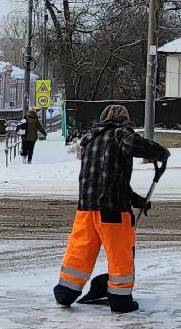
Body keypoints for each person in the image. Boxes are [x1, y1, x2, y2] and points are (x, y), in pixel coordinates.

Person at [54, 104, 168, 314]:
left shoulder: (91, 140)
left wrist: (136, 200)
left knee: (79, 252)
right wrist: (161, 152)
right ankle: (120, 300)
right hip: (113, 212)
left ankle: (65, 292)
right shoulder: (120, 134)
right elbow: (135, 144)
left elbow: (106, 180)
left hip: (86, 209)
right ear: (124, 121)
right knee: (120, 256)